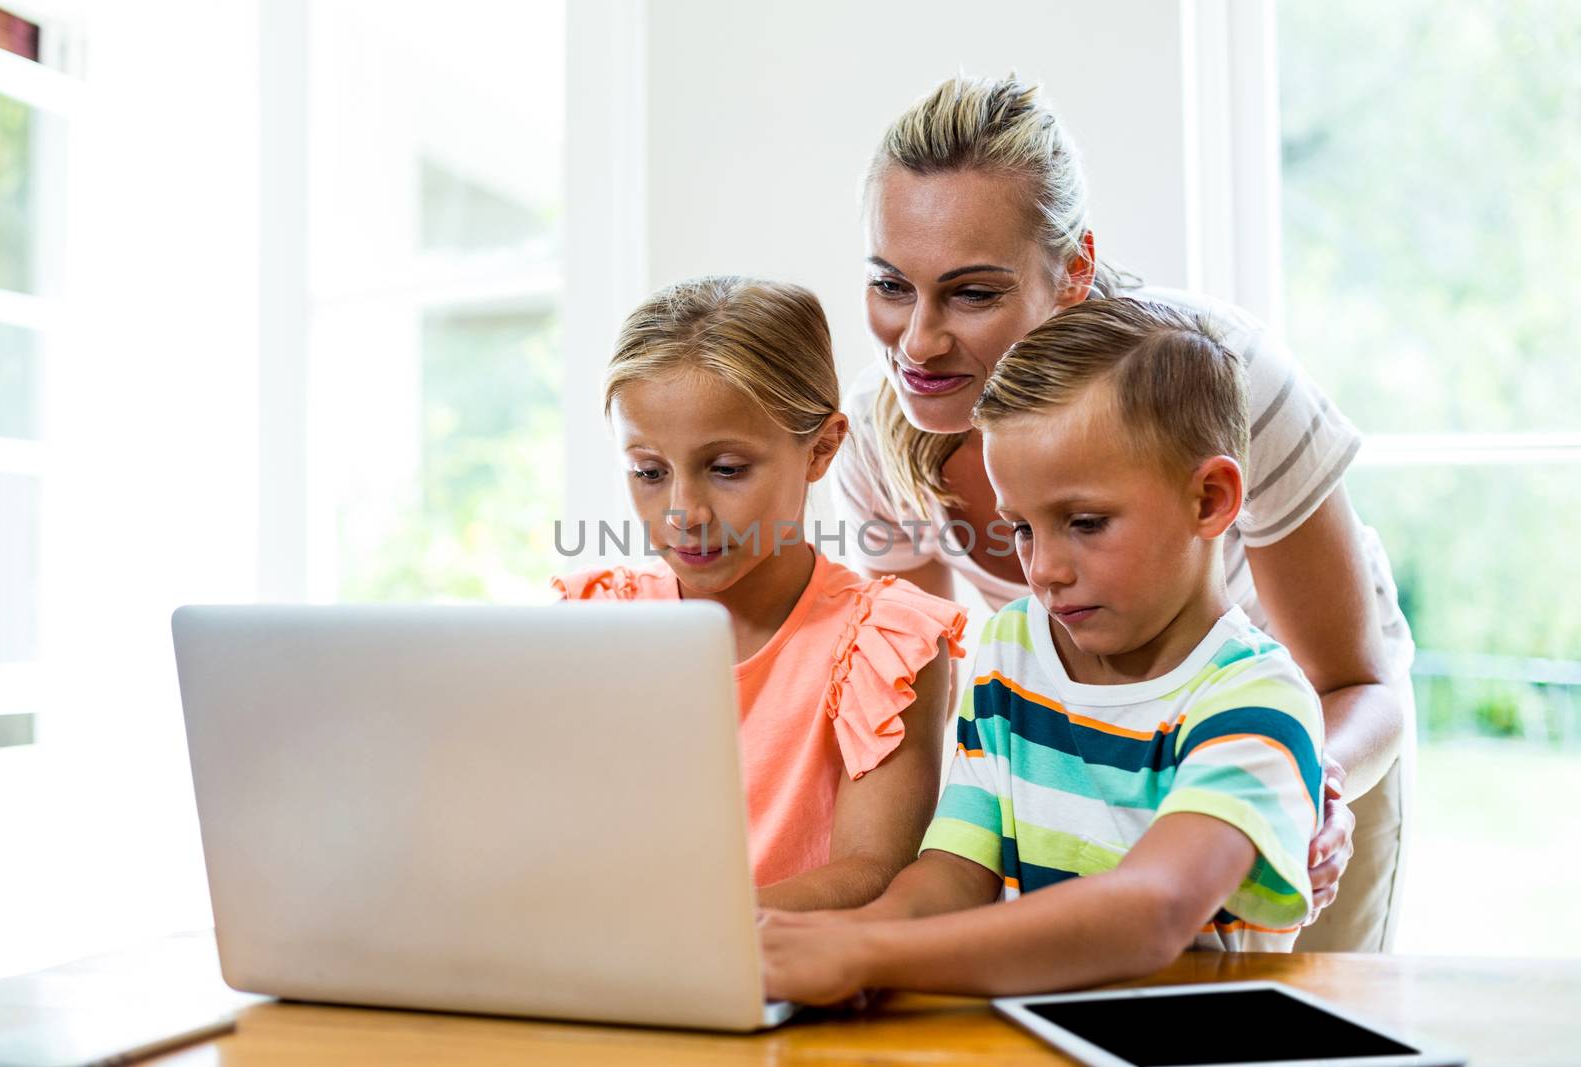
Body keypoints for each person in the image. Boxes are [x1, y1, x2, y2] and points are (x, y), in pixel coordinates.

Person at [831, 74, 1413, 951]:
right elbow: (922, 713)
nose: (917, 341)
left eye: (972, 293)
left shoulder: (1222, 375)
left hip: (1291, 749)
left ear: (1073, 270)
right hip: (1081, 752)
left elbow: (1355, 683)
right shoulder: (882, 435)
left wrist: (1296, 788)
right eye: (891, 284)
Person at [762, 299, 1325, 1003]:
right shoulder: (1013, 650)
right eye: (1022, 529)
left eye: (1085, 523)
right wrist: (831, 942)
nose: (1044, 570)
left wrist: (868, 950)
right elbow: (951, 874)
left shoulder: (1259, 698)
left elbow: (1152, 911)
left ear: (1210, 499)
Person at [553, 276, 966, 911]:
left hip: (783, 977)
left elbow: (870, 872)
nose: (684, 511)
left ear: (822, 448)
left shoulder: (884, 646)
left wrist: (688, 930)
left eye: (726, 470)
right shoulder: (592, 628)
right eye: (648, 472)